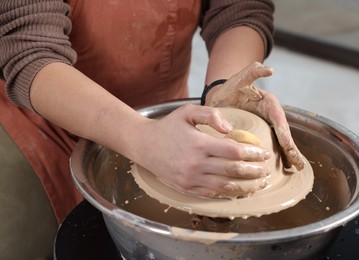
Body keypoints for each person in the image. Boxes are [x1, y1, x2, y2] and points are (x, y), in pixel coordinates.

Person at [0, 0, 304, 258]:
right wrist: (142, 139)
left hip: (164, 114)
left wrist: (224, 92)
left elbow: (239, 7)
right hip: (36, 116)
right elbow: (29, 48)